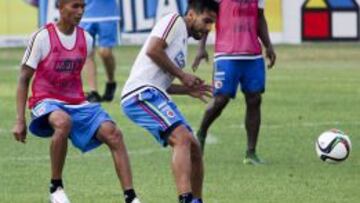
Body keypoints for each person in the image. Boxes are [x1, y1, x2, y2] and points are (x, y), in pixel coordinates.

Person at [12, 1, 140, 203]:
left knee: (114, 133)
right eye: (74, 6)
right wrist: (20, 119)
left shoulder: (86, 39)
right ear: (60, 6)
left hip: (76, 102)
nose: (80, 11)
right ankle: (56, 188)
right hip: (45, 100)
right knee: (62, 122)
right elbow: (23, 79)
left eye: (82, 6)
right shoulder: (42, 37)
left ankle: (131, 197)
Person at [121, 1, 218, 202]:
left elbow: (161, 81)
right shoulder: (174, 21)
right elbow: (153, 49)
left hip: (154, 93)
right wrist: (183, 75)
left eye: (212, 24)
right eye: (207, 21)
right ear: (191, 14)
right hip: (139, 94)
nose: (208, 28)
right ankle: (186, 198)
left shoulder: (182, 40)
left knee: (194, 147)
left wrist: (187, 88)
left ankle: (196, 200)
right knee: (181, 138)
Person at [193, 0, 276, 165]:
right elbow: (207, 16)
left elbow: (259, 18)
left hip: (252, 55)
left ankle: (251, 153)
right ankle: (201, 133)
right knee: (221, 99)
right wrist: (201, 47)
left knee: (254, 99)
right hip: (226, 54)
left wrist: (268, 45)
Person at [80, 0, 120, 102]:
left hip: (107, 15)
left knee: (105, 53)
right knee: (87, 53)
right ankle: (94, 92)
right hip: (85, 15)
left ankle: (111, 82)